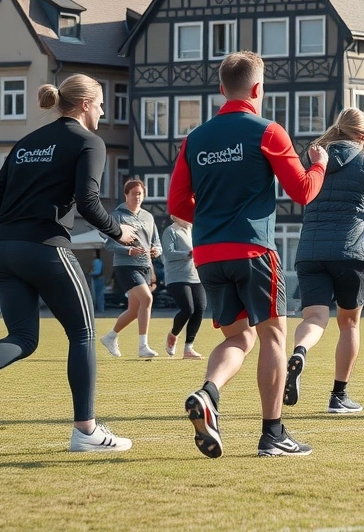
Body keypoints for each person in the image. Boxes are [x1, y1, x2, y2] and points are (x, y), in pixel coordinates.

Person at [0, 75, 139, 451]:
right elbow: (89, 202)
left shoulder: (28, 142)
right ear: (84, 105)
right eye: (101, 103)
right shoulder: (89, 141)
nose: (104, 110)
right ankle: (86, 431)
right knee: (83, 334)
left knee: (23, 338)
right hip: (44, 248)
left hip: (3, 250)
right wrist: (119, 232)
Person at [168, 51, 327, 458]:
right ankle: (272, 434)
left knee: (239, 337)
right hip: (253, 249)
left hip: (207, 254)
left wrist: (210, 218)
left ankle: (208, 393)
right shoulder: (268, 131)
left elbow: (176, 205)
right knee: (273, 335)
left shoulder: (195, 139)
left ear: (222, 90)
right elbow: (303, 192)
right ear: (258, 89)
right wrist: (319, 165)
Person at [285, 107, 364, 415]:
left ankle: (300, 350)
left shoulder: (314, 158)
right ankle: (338, 396)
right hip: (350, 252)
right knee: (349, 324)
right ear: (363, 135)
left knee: (313, 319)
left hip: (311, 251)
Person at [99, 178, 163, 358]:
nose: (137, 197)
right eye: (133, 193)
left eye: (140, 194)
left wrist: (156, 250)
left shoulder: (148, 216)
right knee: (147, 299)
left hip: (145, 266)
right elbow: (108, 244)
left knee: (135, 310)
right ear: (125, 195)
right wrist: (128, 251)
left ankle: (110, 337)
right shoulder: (117, 216)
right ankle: (143, 347)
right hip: (125, 266)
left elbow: (156, 242)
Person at [162, 215, 205, 359]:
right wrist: (189, 253)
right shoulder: (171, 231)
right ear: (174, 216)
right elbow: (168, 253)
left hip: (196, 275)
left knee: (200, 309)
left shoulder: (195, 231)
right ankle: (173, 335)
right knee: (188, 309)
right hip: (177, 277)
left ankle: (188, 348)